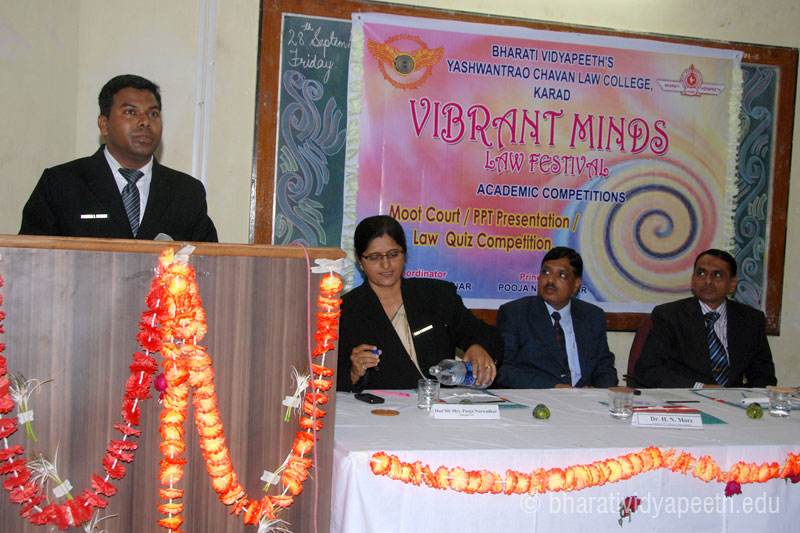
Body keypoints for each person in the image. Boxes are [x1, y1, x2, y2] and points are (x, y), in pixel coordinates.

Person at [19, 74, 218, 242]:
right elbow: (30, 260)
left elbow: (209, 264)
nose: (144, 122)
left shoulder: (187, 192)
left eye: (153, 114)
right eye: (130, 112)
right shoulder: (61, 184)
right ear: (104, 124)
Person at [337, 215, 503, 391]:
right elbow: (329, 375)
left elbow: (488, 336)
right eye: (374, 257)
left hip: (440, 401)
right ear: (360, 260)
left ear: (404, 253)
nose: (386, 264)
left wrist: (479, 347)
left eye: (393, 254)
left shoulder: (436, 295)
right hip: (384, 405)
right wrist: (354, 373)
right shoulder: (345, 310)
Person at [634, 249, 776, 388]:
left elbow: (764, 376)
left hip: (733, 399)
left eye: (717, 275)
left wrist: (742, 398)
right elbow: (647, 370)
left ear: (732, 284)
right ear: (693, 280)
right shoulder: (669, 316)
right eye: (701, 274)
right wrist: (700, 387)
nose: (708, 281)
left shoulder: (751, 320)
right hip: (686, 397)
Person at [495, 246, 618, 389]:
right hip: (539, 397)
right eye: (546, 272)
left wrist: (600, 391)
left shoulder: (593, 316)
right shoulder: (515, 313)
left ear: (576, 284)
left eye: (561, 275)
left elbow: (604, 365)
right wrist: (554, 387)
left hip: (585, 398)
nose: (550, 280)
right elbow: (503, 369)